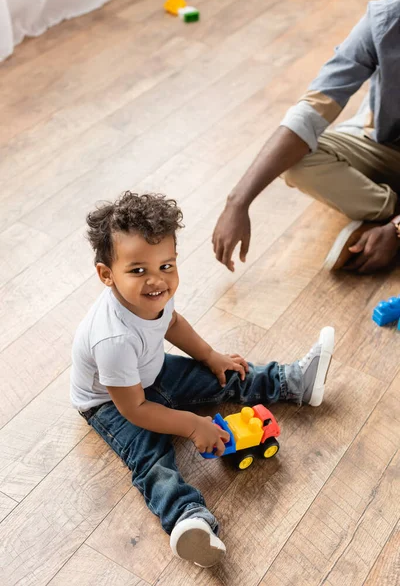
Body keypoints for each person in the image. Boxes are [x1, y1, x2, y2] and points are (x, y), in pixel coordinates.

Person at [70, 191, 335, 567]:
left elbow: (172, 323)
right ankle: (186, 519)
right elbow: (137, 410)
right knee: (151, 454)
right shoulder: (111, 339)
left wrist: (211, 356)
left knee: (223, 374)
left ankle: (293, 381)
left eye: (166, 266)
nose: (156, 281)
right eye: (137, 270)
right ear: (106, 275)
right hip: (111, 403)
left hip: (149, 369)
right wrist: (194, 426)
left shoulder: (155, 295)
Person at [213, 0, 400, 274]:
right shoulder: (386, 19)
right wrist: (238, 201)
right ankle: (387, 208)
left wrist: (397, 231)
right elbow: (313, 109)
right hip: (387, 146)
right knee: (296, 160)